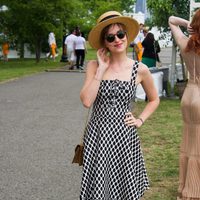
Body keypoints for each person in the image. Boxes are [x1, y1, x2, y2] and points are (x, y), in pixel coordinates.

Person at [79, 11, 160, 199]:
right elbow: (86, 101)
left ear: (127, 36)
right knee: (100, 188)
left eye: (120, 34)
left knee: (124, 189)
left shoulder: (140, 69)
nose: (117, 40)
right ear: (104, 42)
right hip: (98, 135)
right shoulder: (93, 66)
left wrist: (140, 120)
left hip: (124, 136)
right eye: (110, 37)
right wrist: (101, 69)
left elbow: (154, 99)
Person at [169, 9, 200, 200]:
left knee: (190, 141)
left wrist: (188, 23)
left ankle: (186, 188)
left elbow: (171, 20)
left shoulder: (184, 43)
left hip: (188, 95)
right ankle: (195, 190)